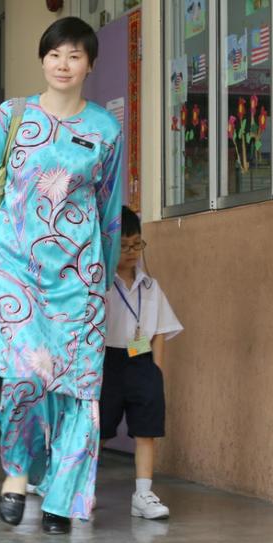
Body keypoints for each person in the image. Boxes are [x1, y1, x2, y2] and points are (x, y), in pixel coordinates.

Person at [0, 17, 123, 534]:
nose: (63, 64)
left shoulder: (104, 130)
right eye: (55, 54)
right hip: (15, 268)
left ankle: (62, 503)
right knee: (26, 375)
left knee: (78, 388)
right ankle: (19, 473)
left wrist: (105, 281)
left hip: (81, 274)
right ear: (43, 60)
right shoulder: (12, 115)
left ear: (90, 64)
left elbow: (110, 212)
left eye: (75, 55)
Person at [100, 207, 183, 520]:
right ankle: (80, 487)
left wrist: (156, 370)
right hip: (107, 361)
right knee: (99, 428)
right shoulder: (102, 285)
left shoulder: (151, 287)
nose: (133, 252)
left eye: (137, 244)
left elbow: (160, 330)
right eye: (124, 246)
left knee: (146, 429)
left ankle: (143, 493)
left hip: (141, 360)